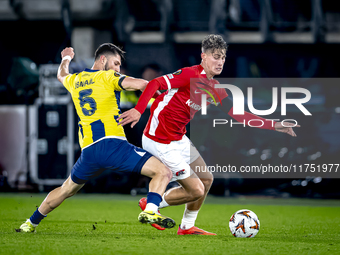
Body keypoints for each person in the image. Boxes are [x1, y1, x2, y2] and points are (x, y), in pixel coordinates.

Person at [117, 35, 300, 235]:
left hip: (177, 138)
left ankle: (186, 227)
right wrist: (138, 110)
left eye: (222, 57)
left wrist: (275, 125)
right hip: (158, 140)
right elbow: (154, 84)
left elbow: (239, 115)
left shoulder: (214, 88)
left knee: (206, 179)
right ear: (203, 56)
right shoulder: (189, 74)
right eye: (215, 57)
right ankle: (152, 203)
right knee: (196, 190)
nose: (220, 61)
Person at [19, 43, 176, 233]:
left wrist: (66, 58)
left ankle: (30, 223)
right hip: (112, 144)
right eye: (116, 63)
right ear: (103, 59)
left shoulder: (75, 80)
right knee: (163, 172)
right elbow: (144, 84)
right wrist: (161, 97)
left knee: (66, 189)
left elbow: (61, 75)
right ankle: (151, 210)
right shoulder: (108, 76)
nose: (118, 69)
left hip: (89, 152)